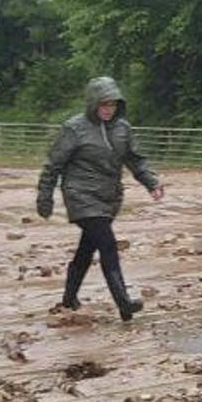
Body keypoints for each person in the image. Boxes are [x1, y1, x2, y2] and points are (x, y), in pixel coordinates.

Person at [36, 77, 163, 322]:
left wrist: (152, 183)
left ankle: (68, 299)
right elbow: (53, 164)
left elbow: (136, 160)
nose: (108, 109)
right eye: (103, 104)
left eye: (113, 104)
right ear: (93, 103)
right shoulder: (74, 128)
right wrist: (45, 197)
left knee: (87, 248)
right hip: (80, 194)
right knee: (107, 244)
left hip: (108, 197)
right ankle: (123, 303)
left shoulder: (122, 129)